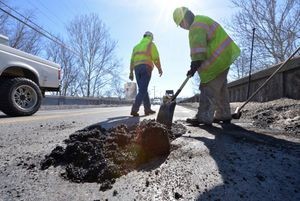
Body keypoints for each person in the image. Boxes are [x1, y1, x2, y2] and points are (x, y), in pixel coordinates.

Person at [173, 7, 240, 125]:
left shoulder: (195, 27)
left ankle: (203, 116)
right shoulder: (202, 20)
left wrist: (193, 65)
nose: (183, 28)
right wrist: (193, 68)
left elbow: (198, 50)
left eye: (181, 25)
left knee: (208, 87)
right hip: (225, 57)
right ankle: (223, 114)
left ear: (183, 20)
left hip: (216, 60)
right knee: (220, 88)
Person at [129, 31, 163, 117]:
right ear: (151, 37)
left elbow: (132, 61)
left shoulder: (135, 47)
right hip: (146, 67)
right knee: (143, 90)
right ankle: (134, 109)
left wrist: (131, 72)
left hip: (136, 69)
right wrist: (159, 68)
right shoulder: (150, 44)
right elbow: (155, 58)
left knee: (143, 89)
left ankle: (147, 109)